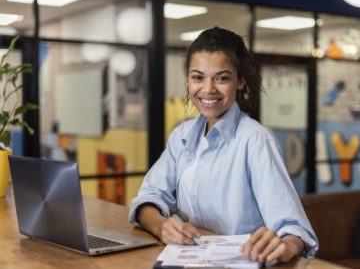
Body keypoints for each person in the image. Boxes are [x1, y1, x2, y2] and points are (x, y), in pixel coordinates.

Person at [129, 26, 318, 265]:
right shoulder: (182, 136)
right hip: (189, 261)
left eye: (222, 78)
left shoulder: (256, 140)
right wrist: (162, 226)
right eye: (198, 77)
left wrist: (284, 244)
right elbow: (148, 198)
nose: (208, 89)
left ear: (239, 81)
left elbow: (294, 230)